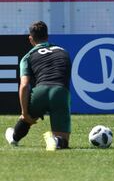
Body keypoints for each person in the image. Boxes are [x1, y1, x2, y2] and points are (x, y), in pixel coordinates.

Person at [5, 21, 72, 151]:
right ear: (47, 36)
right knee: (63, 142)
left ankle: (14, 137)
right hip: (60, 92)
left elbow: (24, 86)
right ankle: (56, 140)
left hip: (40, 92)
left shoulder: (27, 57)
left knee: (26, 118)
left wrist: (25, 113)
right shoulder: (63, 51)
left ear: (31, 39)